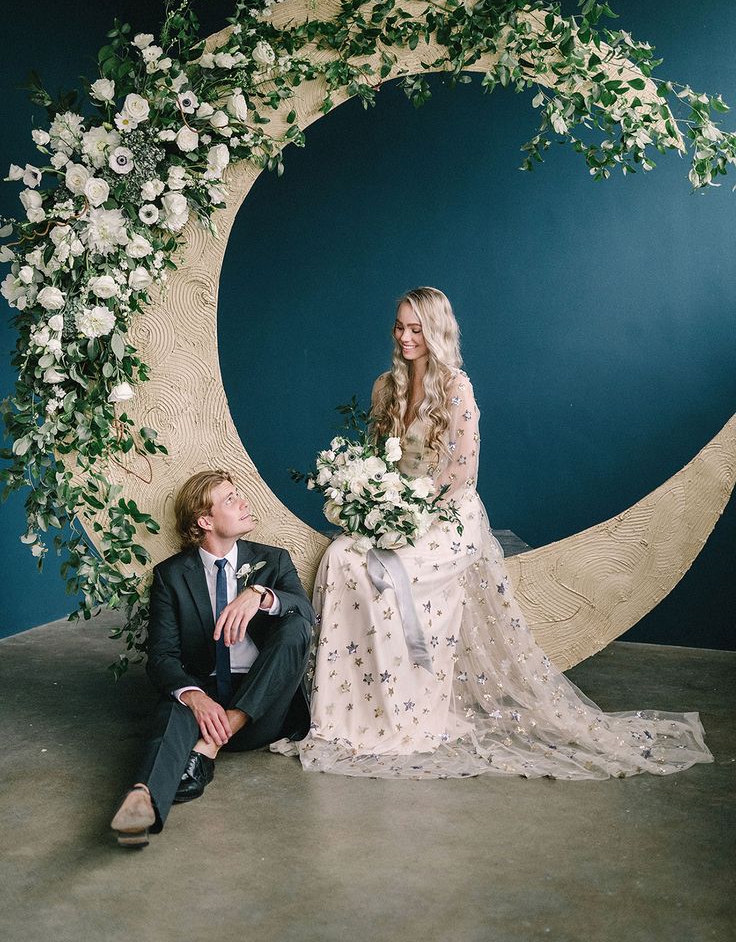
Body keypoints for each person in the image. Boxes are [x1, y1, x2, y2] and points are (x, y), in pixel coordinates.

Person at [296, 287, 713, 779]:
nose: (405, 338)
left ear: (436, 332)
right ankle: (348, 712)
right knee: (342, 555)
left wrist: (407, 518)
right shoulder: (384, 387)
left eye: (416, 329)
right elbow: (373, 458)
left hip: (447, 517)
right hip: (393, 509)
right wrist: (371, 503)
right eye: (400, 327)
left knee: (392, 574)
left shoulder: (456, 387)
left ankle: (407, 713)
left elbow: (461, 474)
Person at [110, 469, 314, 846]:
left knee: (294, 628)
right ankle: (140, 801)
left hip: (263, 707)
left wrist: (260, 596)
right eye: (230, 499)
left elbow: (306, 614)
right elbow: (163, 656)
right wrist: (195, 697)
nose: (244, 503)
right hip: (206, 704)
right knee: (173, 711)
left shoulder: (272, 561)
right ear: (205, 520)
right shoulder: (171, 576)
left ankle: (212, 746)